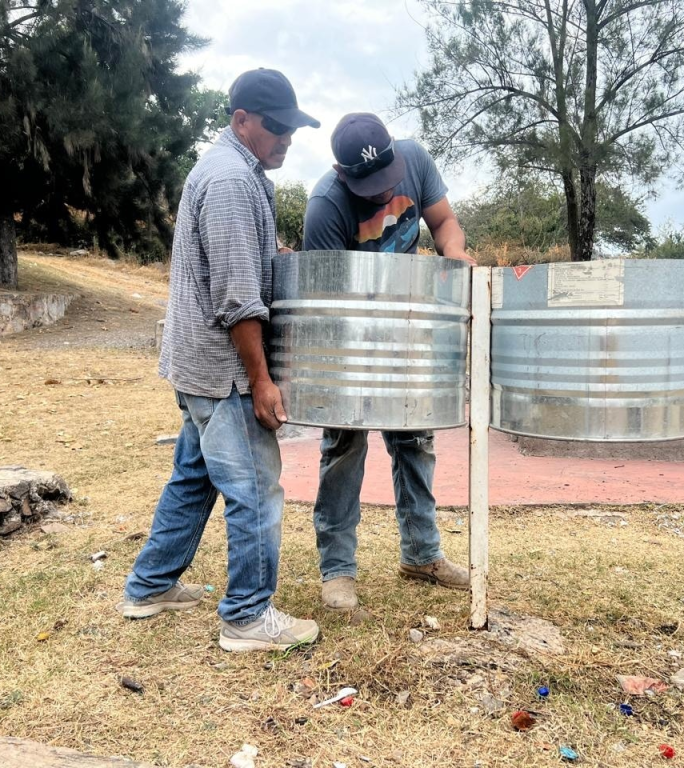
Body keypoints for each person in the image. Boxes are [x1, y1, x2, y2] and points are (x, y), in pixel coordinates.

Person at [116, 68, 322, 653]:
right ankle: (247, 617)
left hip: (195, 362)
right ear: (242, 121)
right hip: (222, 369)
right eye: (277, 127)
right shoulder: (232, 180)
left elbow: (231, 260)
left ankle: (149, 586)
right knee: (255, 486)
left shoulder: (232, 170)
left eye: (292, 128)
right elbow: (236, 299)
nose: (286, 138)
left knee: (193, 476)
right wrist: (260, 381)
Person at [301, 113, 476, 613]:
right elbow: (325, 303)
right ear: (340, 170)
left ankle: (422, 555)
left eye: (388, 182)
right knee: (343, 448)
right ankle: (338, 571)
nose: (382, 195)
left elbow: (443, 222)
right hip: (350, 341)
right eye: (369, 187)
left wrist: (454, 255)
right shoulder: (325, 208)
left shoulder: (415, 158)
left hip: (409, 331)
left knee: (415, 444)